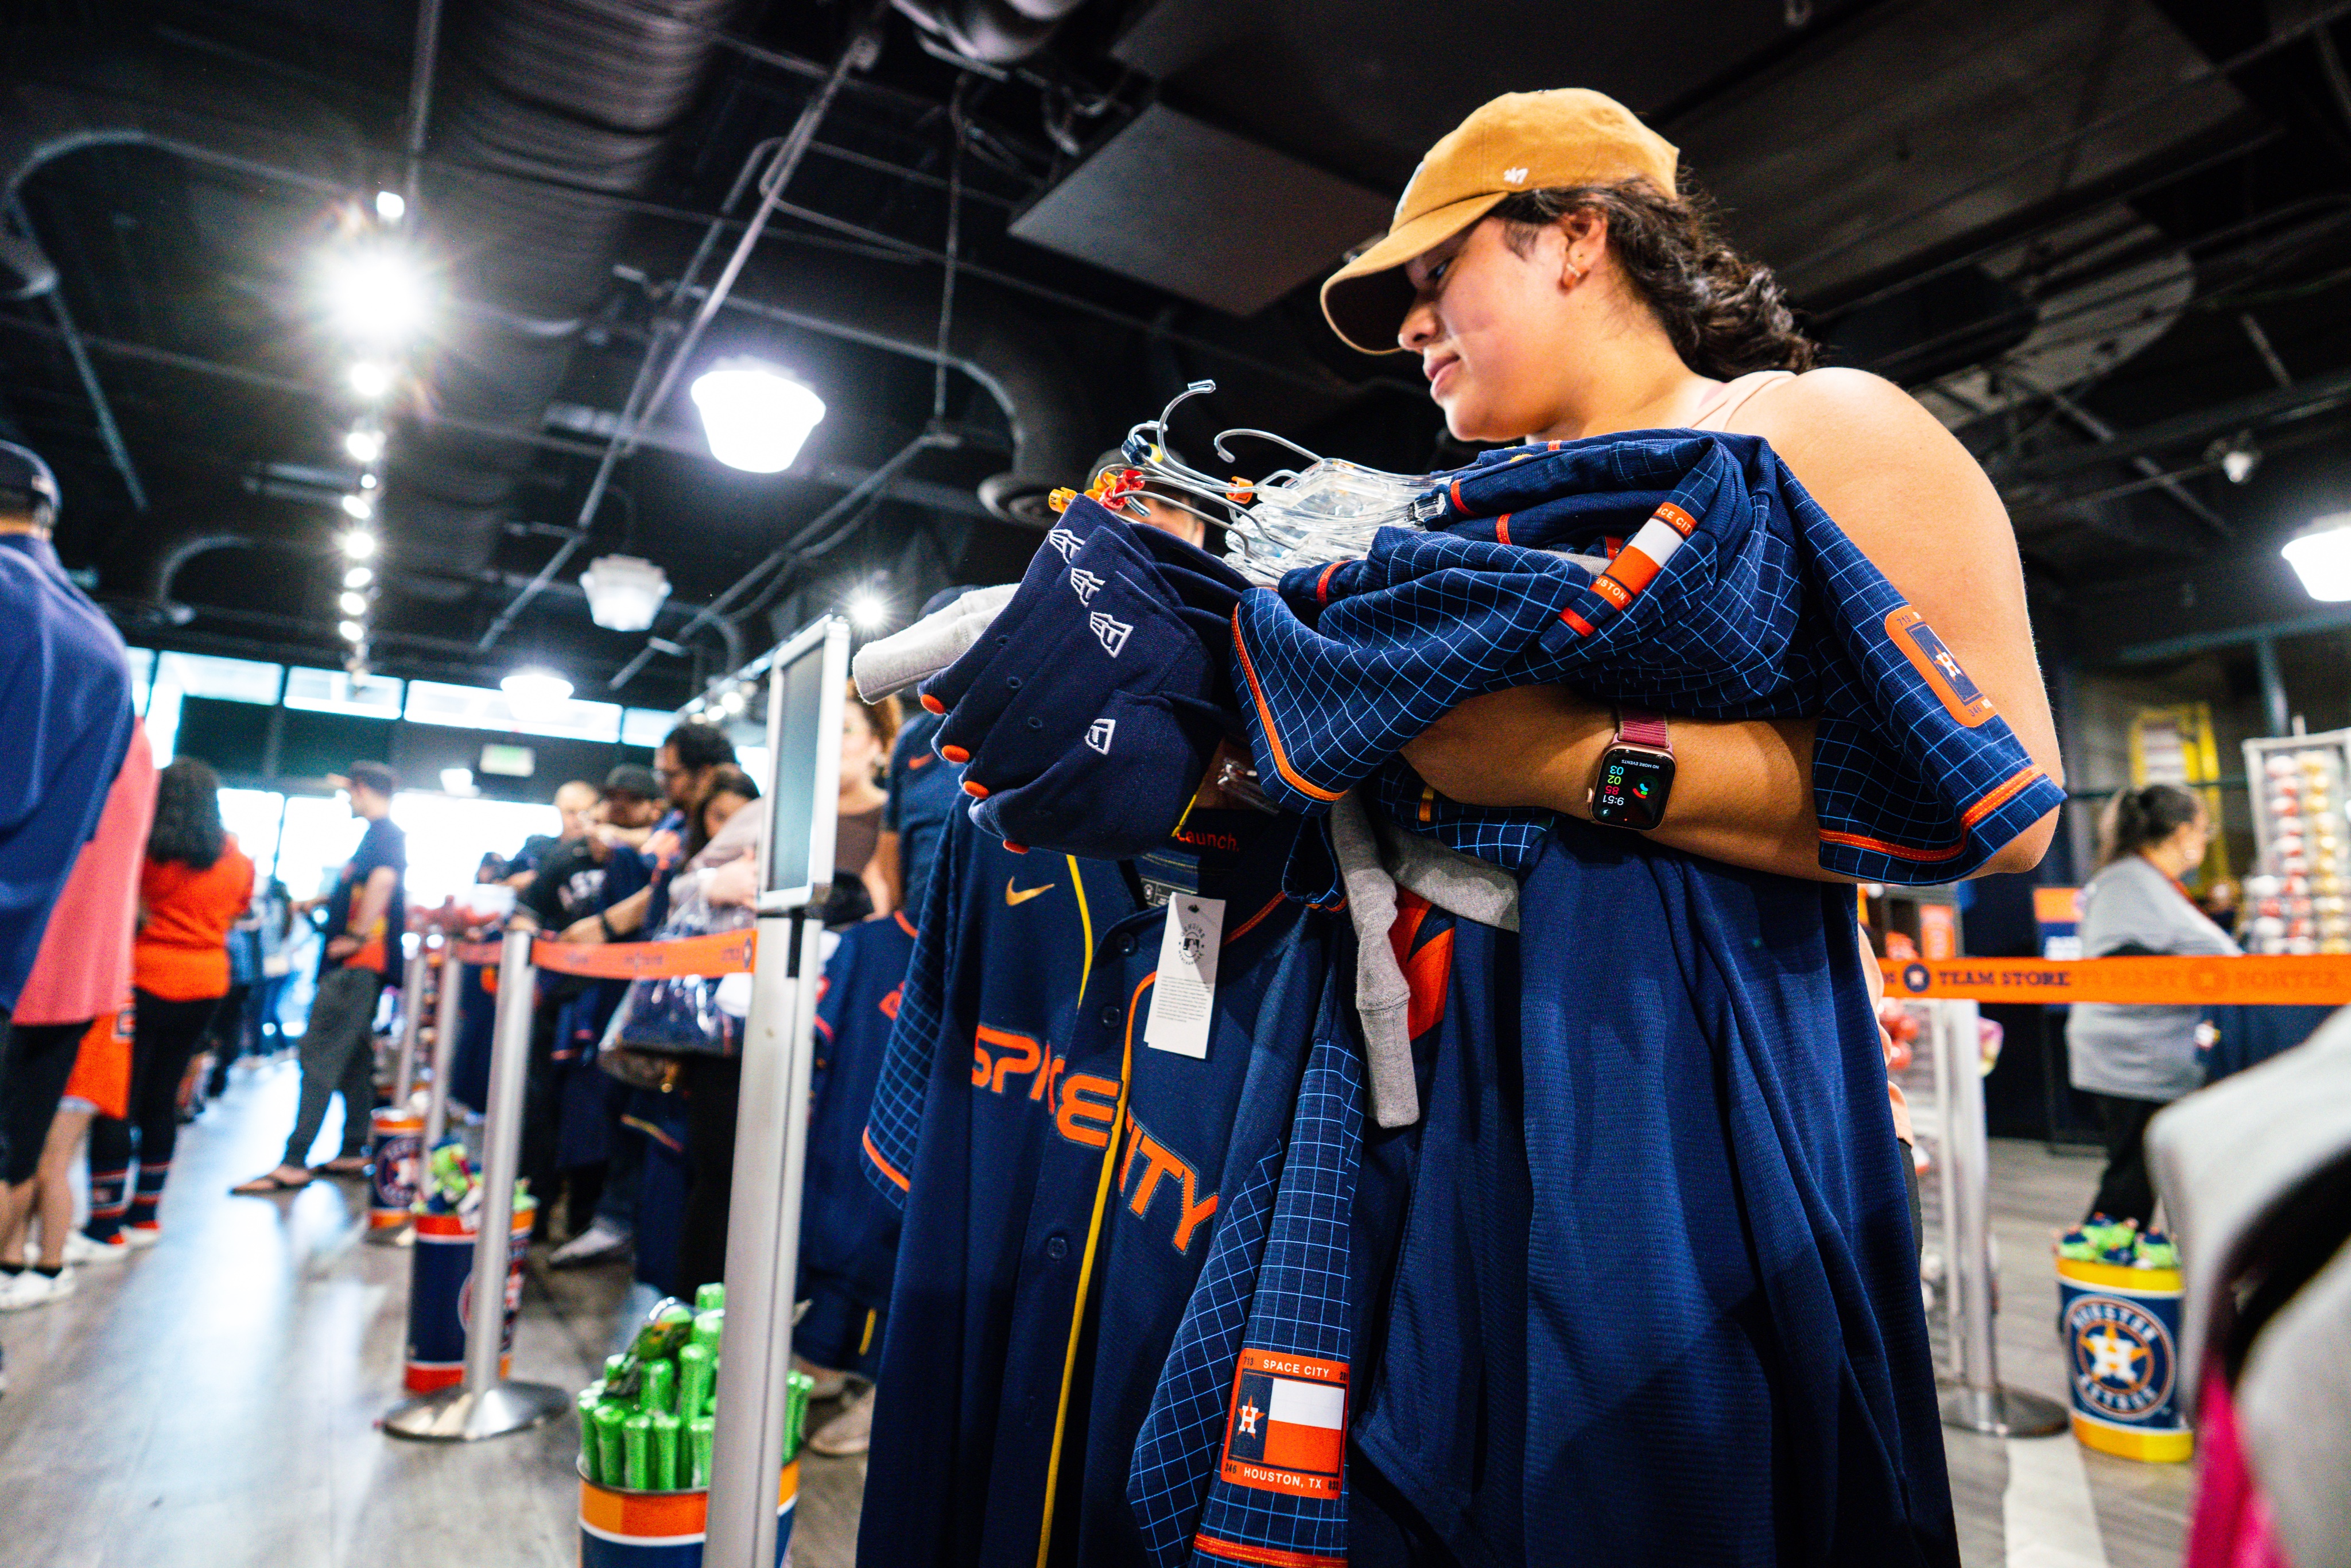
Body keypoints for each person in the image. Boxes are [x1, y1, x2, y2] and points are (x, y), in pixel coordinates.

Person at [1297, 87, 2063, 1558]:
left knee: (1675, 1484)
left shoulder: (1809, 426)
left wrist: (1571, 760)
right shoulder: (1462, 510)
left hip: (1685, 1079)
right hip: (1435, 1078)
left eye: (1434, 273)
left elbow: (2008, 800)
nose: (1409, 325)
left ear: (1574, 238)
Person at [0, 721, 154, 1298]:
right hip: (87, 999)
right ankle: (23, 1262)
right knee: (36, 1157)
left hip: (66, 1001)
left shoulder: (104, 729)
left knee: (41, 1158)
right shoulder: (130, 742)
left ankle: (44, 1264)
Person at [79, 759, 253, 1248]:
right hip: (205, 986)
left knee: (118, 1101)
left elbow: (122, 904)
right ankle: (146, 1215)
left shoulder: (149, 852)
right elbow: (239, 910)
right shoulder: (237, 858)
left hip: (142, 980)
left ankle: (104, 1225)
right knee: (162, 1101)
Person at [2067, 784, 2236, 1228]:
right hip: (2134, 1058)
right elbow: (2121, 966)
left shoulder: (2151, 883)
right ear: (2182, 833)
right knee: (2130, 1186)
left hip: (2156, 1055)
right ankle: (2102, 1280)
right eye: (2204, 829)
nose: (2205, 839)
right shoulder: (2126, 881)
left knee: (2147, 1180)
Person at [235, 762, 405, 1195]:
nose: (348, 800)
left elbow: (383, 881)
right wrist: (323, 901)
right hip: (360, 970)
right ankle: (352, 1150)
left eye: (350, 792)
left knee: (318, 1057)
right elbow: (370, 884)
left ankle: (294, 1162)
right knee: (353, 1062)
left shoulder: (385, 834)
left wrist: (354, 936)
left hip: (353, 968)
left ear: (363, 789)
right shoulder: (378, 836)